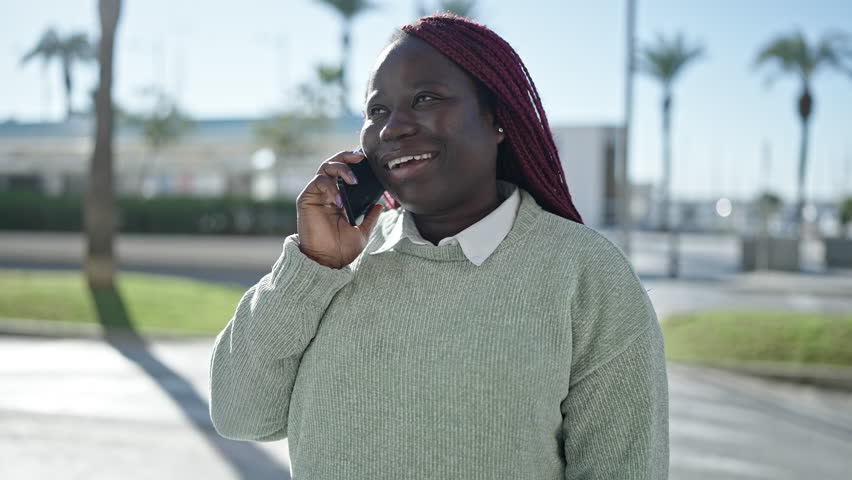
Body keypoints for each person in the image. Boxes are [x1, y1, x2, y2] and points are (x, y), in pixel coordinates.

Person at [209, 13, 668, 479]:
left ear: (497, 118)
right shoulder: (335, 265)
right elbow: (240, 415)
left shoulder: (586, 274)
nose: (393, 129)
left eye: (425, 98)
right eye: (377, 112)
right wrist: (313, 266)